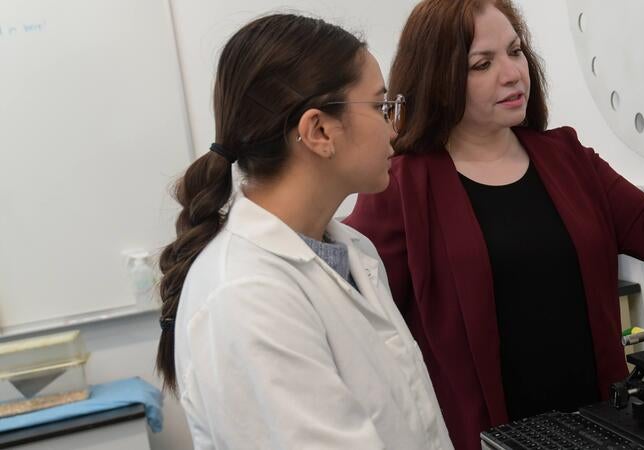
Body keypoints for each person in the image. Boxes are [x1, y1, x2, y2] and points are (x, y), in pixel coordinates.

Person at [344, 1, 644, 447]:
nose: (512, 73)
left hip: (594, 425)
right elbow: (363, 326)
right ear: (437, 79)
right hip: (484, 437)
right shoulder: (401, 185)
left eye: (515, 51)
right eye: (482, 64)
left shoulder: (566, 156)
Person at [154, 14, 451, 449]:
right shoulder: (247, 294)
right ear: (319, 131)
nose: (394, 128)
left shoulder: (351, 251)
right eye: (380, 107)